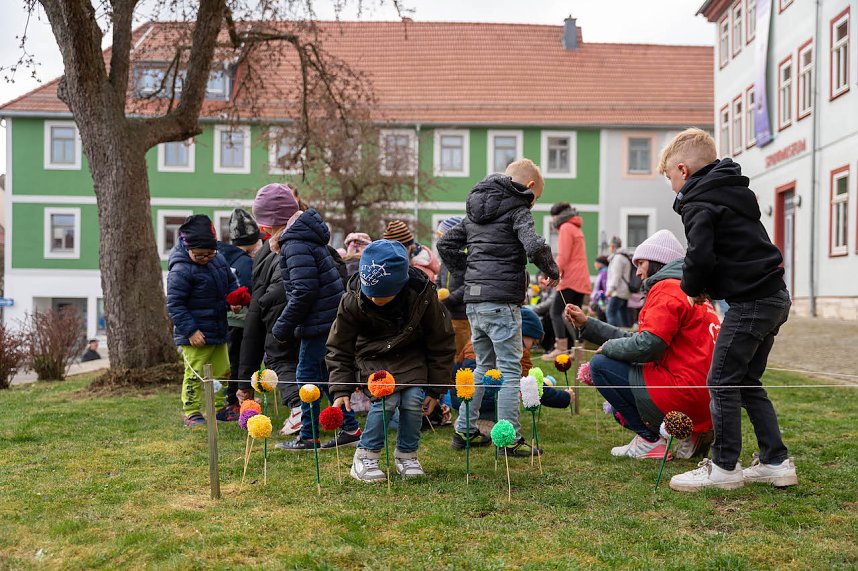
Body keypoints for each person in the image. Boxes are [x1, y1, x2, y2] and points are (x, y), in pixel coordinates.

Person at [659, 128, 798, 491]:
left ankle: (724, 467)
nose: (671, 186)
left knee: (721, 381)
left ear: (683, 170)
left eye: (670, 177)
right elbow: (733, 251)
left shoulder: (697, 201)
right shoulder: (733, 192)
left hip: (751, 302)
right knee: (746, 381)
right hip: (775, 296)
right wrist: (711, 286)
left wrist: (692, 289)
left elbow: (700, 255)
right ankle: (775, 462)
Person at [437, 158, 560, 458]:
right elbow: (534, 246)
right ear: (529, 187)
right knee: (509, 370)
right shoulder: (518, 209)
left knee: (482, 367)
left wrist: (471, 272)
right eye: (535, 198)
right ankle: (509, 438)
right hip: (502, 302)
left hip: (474, 303)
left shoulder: (475, 210)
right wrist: (552, 271)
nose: (532, 203)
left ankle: (464, 430)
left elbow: (445, 245)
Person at [565, 229, 719, 460]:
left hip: (683, 392)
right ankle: (693, 433)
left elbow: (647, 346)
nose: (637, 272)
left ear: (658, 262)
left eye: (641, 263)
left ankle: (649, 440)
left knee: (600, 366)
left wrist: (608, 348)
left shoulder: (666, 289)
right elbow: (641, 339)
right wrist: (588, 324)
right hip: (708, 397)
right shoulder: (690, 291)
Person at [328, 240, 455, 481]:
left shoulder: (423, 296)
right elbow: (338, 346)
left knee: (413, 399)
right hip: (371, 356)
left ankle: (407, 455)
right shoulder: (352, 299)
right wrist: (341, 387)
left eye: (384, 294)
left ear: (401, 285)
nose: (376, 300)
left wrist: (435, 389)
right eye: (372, 294)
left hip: (410, 356)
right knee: (387, 399)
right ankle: (365, 456)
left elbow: (441, 342)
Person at [272, 203, 353, 451]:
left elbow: (304, 290)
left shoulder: (294, 243)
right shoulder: (307, 237)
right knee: (326, 376)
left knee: (306, 377)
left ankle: (308, 435)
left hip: (318, 322)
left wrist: (282, 326)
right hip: (327, 318)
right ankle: (350, 428)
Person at [166, 214, 239, 427]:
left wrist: (233, 299)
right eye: (199, 255)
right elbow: (175, 304)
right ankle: (191, 411)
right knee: (195, 372)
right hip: (195, 334)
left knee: (223, 370)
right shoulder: (180, 270)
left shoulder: (218, 259)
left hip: (218, 329)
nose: (206, 258)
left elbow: (230, 282)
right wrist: (190, 330)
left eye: (210, 253)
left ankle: (219, 407)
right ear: (188, 248)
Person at [217, 208, 262, 421]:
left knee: (234, 362)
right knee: (241, 363)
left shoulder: (222, 257)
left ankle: (234, 399)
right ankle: (235, 402)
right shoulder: (245, 263)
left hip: (228, 320)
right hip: (242, 321)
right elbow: (252, 291)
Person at [543, 203, 592, 361]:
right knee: (574, 316)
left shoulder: (565, 228)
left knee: (556, 312)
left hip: (571, 279)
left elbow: (563, 256)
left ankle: (561, 348)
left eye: (553, 217)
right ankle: (579, 351)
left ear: (558, 216)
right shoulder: (576, 227)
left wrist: (554, 273)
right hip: (581, 278)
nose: (553, 221)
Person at [435, 216, 470, 356]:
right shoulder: (445, 257)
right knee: (449, 349)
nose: (440, 240)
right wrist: (438, 291)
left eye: (442, 236)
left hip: (461, 313)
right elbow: (439, 279)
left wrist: (452, 298)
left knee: (461, 350)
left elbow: (469, 283)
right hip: (446, 311)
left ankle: (461, 369)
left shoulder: (466, 256)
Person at [605, 236, 633, 327]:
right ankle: (628, 333)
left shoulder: (618, 258)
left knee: (610, 312)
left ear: (613, 246)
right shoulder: (625, 257)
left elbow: (616, 275)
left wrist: (611, 289)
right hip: (625, 291)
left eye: (609, 246)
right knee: (623, 314)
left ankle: (614, 334)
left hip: (618, 291)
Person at [589, 255, 609, 322]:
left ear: (601, 264)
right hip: (600, 301)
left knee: (602, 321)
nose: (595, 264)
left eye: (596, 262)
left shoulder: (604, 273)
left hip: (602, 302)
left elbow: (604, 288)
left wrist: (597, 301)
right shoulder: (602, 272)